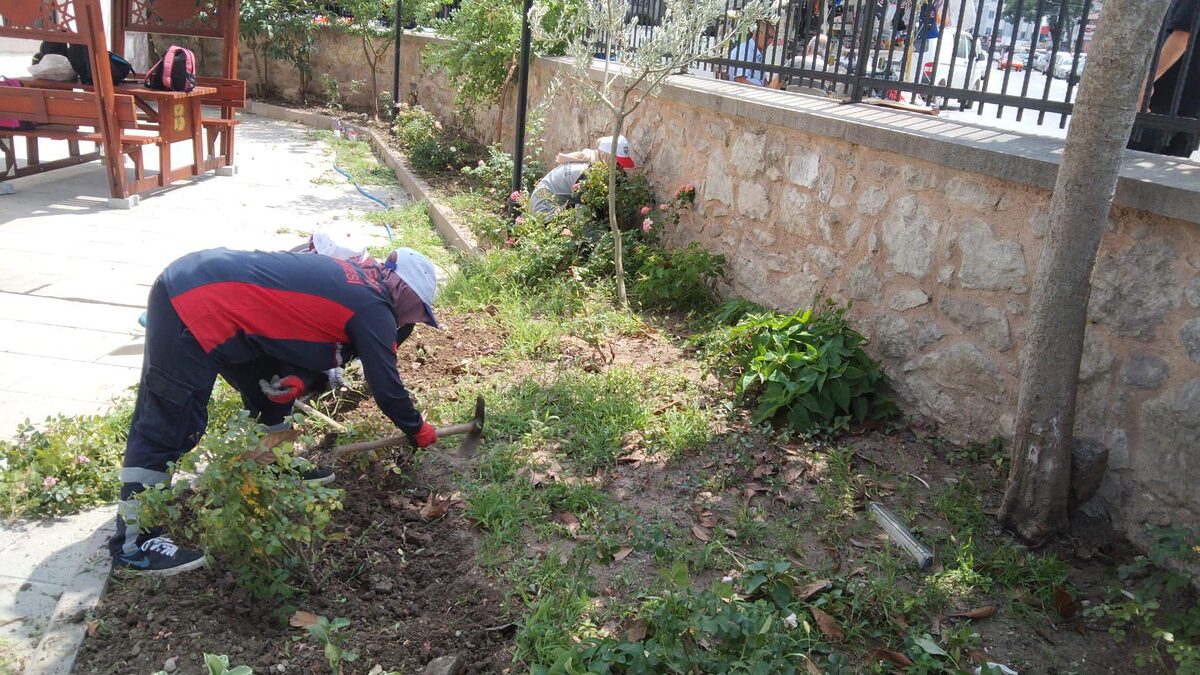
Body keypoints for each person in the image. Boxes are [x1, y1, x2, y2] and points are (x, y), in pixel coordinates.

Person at [109, 246, 441, 575]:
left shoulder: (364, 285)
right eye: (419, 310)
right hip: (192, 303)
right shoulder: (374, 307)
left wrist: (299, 376)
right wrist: (415, 427)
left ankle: (274, 467)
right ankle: (136, 543)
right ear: (403, 289)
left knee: (267, 390)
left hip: (221, 304)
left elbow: (301, 323)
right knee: (169, 425)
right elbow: (386, 386)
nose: (417, 319)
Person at [1128, 0, 1199, 158]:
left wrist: (1147, 82)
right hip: (1189, 107)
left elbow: (1182, 37)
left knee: (1135, 158)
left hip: (1166, 98)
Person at [529, 135, 636, 216]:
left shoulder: (594, 164)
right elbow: (583, 217)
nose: (621, 169)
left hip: (560, 203)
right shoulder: (587, 174)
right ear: (607, 158)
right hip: (544, 207)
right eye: (618, 163)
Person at [728, 19, 782, 89]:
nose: (771, 41)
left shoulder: (757, 51)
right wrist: (762, 91)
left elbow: (762, 78)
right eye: (768, 37)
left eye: (773, 38)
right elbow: (740, 80)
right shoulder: (745, 50)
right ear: (758, 33)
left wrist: (767, 88)